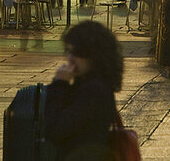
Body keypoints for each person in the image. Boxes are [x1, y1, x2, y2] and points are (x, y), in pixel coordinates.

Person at [44, 21, 124, 160]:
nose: (70, 59)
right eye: (69, 51)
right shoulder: (90, 84)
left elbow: (55, 128)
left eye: (77, 53)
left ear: (94, 55)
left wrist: (60, 84)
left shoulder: (94, 91)